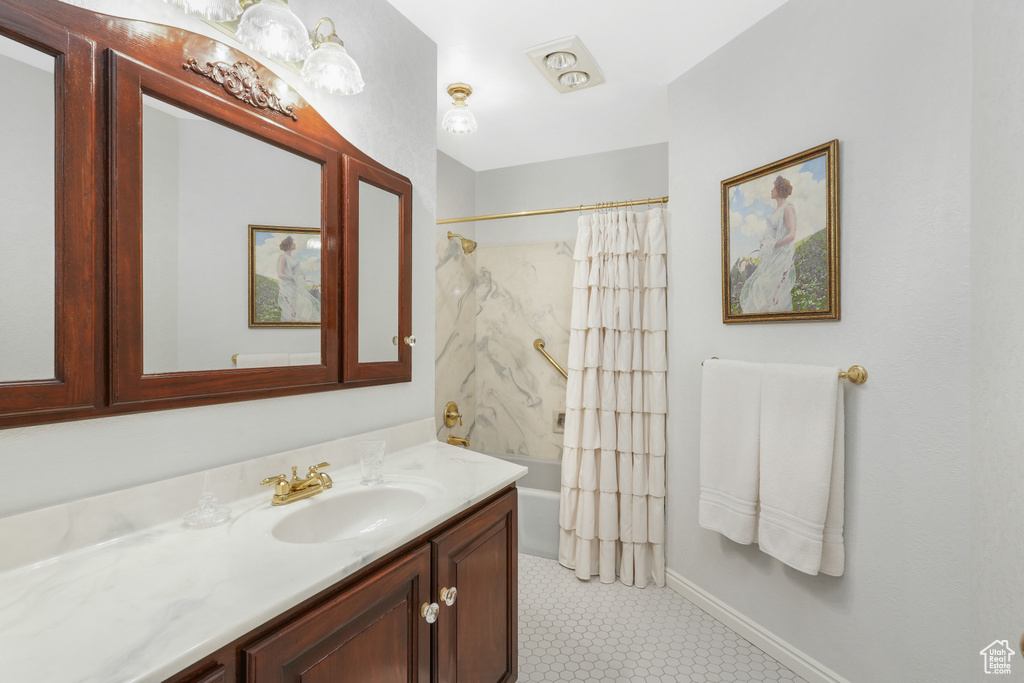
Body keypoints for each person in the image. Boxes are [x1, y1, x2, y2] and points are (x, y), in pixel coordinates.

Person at [739, 175, 797, 313]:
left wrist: (773, 245)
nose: (771, 191)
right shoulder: (777, 209)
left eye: (774, 188)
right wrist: (764, 244)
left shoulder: (787, 208)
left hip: (781, 255)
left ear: (779, 190)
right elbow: (772, 233)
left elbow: (792, 234)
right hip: (772, 255)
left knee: (764, 284)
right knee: (760, 285)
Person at [276, 236, 321, 323]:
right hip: (288, 287)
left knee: (307, 303)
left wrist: (301, 277)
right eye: (293, 243)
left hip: (295, 286)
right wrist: (293, 279)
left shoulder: (292, 258)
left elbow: (297, 271)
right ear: (289, 245)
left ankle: (301, 322)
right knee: (296, 306)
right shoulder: (283, 257)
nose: (294, 244)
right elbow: (280, 274)